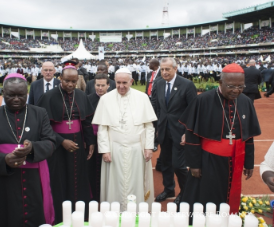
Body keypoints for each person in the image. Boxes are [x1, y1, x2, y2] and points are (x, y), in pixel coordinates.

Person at [0, 73, 56, 227]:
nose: (16, 99)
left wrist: (32, 147)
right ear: (3, 94)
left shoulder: (39, 113)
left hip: (34, 181)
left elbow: (50, 142)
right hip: (4, 182)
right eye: (11, 95)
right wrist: (4, 160)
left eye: (21, 95)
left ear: (27, 93)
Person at [180, 63, 261, 215]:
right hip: (208, 161)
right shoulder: (202, 100)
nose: (236, 90)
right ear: (220, 83)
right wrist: (194, 164)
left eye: (240, 86)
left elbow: (248, 136)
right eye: (231, 86)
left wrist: (249, 162)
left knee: (229, 195)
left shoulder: (246, 102)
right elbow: (192, 134)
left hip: (235, 160)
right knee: (205, 196)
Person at [92, 68, 157, 211]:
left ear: (131, 81)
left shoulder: (142, 98)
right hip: (114, 150)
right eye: (118, 83)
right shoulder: (105, 99)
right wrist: (104, 150)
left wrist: (148, 147)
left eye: (125, 83)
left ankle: (138, 213)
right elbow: (103, 128)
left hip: (137, 149)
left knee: (136, 182)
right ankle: (114, 213)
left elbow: (149, 126)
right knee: (115, 184)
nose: (121, 86)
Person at [37, 66, 95, 223]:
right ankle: (60, 217)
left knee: (78, 178)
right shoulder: (48, 96)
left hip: (77, 142)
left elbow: (87, 122)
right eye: (67, 81)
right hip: (56, 146)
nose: (70, 84)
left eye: (74, 81)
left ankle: (79, 214)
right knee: (59, 179)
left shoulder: (82, 95)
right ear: (60, 79)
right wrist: (61, 141)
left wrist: (90, 141)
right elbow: (44, 126)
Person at [151, 58, 197, 204]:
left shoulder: (187, 85)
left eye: (167, 69)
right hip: (164, 130)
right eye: (162, 69)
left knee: (179, 165)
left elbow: (193, 110)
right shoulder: (158, 83)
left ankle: (185, 192)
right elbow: (157, 107)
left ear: (175, 69)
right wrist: (157, 127)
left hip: (180, 132)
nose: (164, 72)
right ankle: (169, 189)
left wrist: (187, 132)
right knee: (165, 163)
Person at [87, 73, 110, 202]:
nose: (100, 88)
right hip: (93, 139)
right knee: (93, 170)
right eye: (97, 85)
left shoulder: (114, 99)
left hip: (109, 140)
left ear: (108, 85)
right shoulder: (88, 99)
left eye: (103, 85)